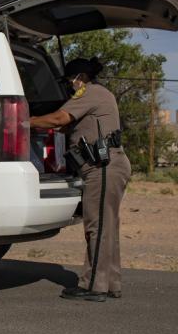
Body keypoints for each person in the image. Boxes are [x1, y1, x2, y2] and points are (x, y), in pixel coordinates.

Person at [29, 57, 131, 302]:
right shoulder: (98, 95)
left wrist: (24, 122)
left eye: (70, 81)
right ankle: (110, 283)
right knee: (107, 227)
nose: (70, 86)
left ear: (80, 78)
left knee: (96, 227)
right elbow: (66, 127)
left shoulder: (90, 92)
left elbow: (58, 120)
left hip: (102, 166)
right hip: (105, 165)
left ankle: (93, 286)